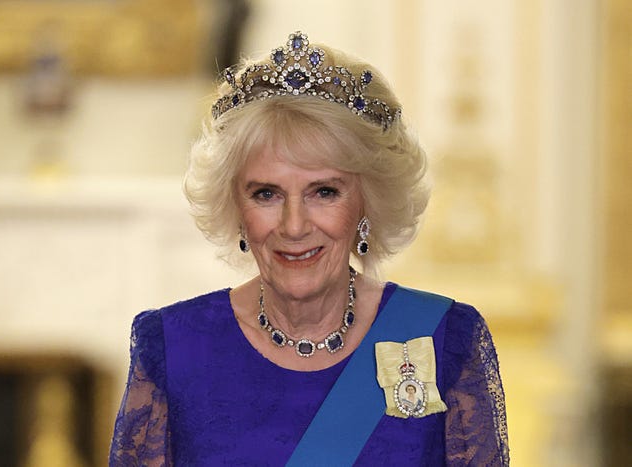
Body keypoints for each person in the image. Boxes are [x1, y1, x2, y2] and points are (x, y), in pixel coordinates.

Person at [109, 31, 509, 466]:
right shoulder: (172, 348)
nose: (294, 226)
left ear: (366, 200)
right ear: (237, 207)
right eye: (266, 193)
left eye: (323, 191)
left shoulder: (444, 338)